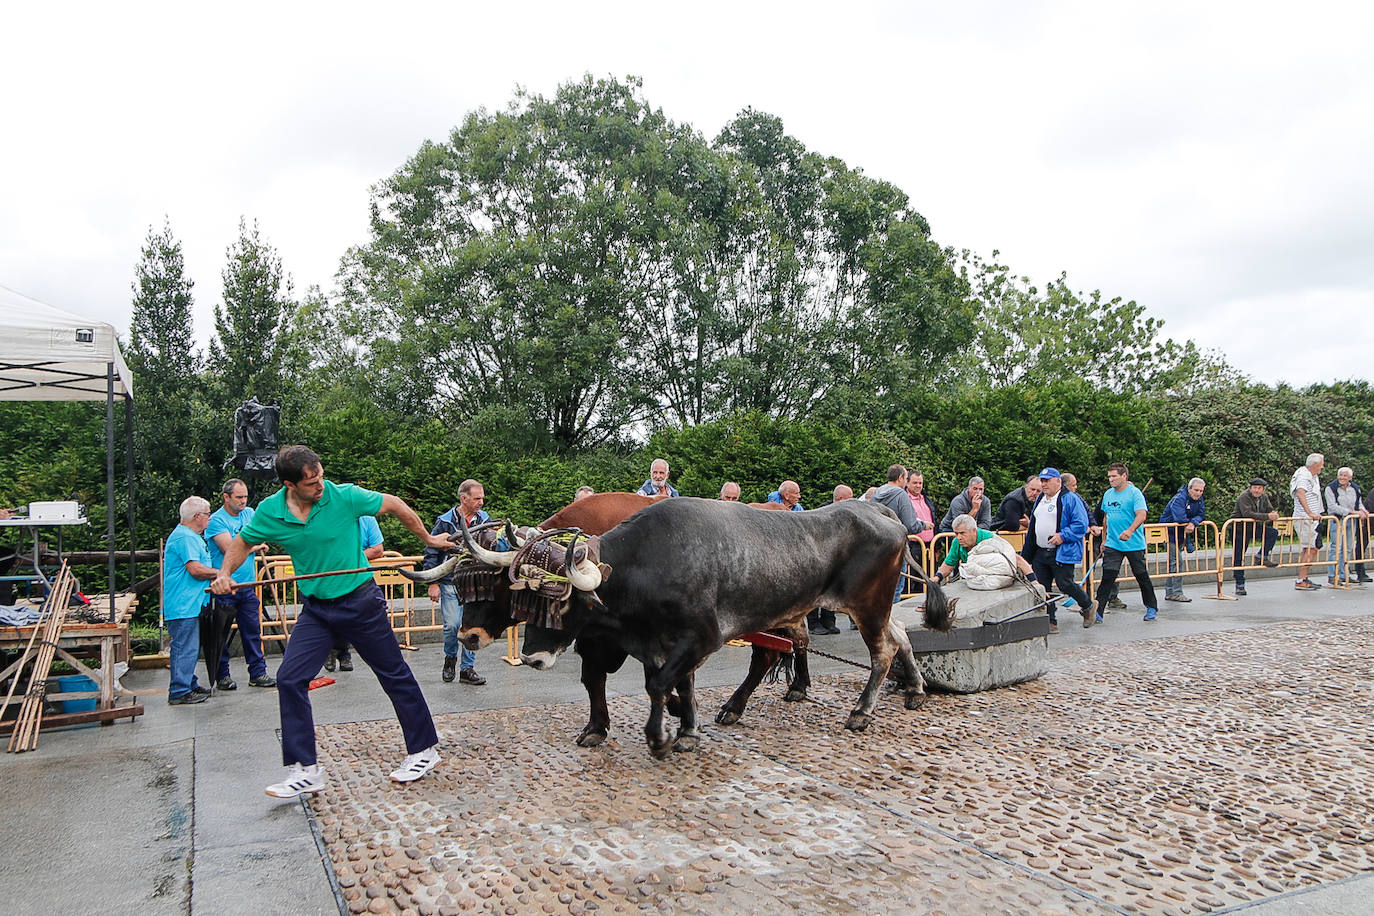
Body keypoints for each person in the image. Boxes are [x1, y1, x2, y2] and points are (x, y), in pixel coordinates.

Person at [210, 445, 453, 798]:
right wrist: (224, 573)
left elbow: (395, 503)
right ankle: (306, 769)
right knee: (290, 678)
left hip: (360, 601)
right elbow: (243, 542)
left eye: (320, 476)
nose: (320, 485)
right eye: (311, 482)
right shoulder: (270, 512)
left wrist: (428, 539)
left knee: (393, 673)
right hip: (317, 609)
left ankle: (423, 750)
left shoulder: (344, 496)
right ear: (289, 485)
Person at [204, 479, 276, 691]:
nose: (243, 501)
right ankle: (222, 675)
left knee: (253, 631)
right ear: (226, 497)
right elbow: (229, 548)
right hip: (224, 587)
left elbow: (261, 534)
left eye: (245, 497)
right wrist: (254, 545)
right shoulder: (216, 520)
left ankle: (258, 672)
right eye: (239, 497)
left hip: (247, 585)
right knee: (221, 633)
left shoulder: (249, 513)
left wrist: (254, 543)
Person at [423, 479, 489, 686]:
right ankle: (450, 659)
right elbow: (431, 551)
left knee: (473, 627)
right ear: (464, 498)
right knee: (452, 626)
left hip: (476, 583)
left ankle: (467, 669)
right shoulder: (444, 522)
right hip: (450, 582)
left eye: (482, 498)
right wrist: (432, 583)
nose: (481, 503)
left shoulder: (485, 520)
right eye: (477, 498)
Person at [1021, 468, 1094, 630]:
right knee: (1042, 586)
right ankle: (1050, 621)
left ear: (1058, 481)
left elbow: (1081, 525)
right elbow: (1034, 525)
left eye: (1047, 480)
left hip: (1062, 550)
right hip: (1041, 550)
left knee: (1064, 583)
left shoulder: (1070, 499)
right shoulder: (1041, 498)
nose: (1044, 484)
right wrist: (1027, 553)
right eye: (1042, 481)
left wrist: (1062, 535)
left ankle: (1088, 605)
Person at [1089, 462, 1159, 622]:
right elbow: (1106, 518)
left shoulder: (1135, 494)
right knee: (1108, 577)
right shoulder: (1108, 494)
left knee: (1141, 576)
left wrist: (1130, 530)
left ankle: (1151, 607)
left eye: (1114, 476)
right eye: (1109, 477)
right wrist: (1104, 539)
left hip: (1134, 543)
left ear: (1124, 476)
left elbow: (1141, 515)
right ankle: (1098, 611)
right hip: (1113, 544)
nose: (1111, 479)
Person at [164, 497, 217, 705]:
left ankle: (189, 682)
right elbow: (195, 570)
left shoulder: (191, 536)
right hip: (182, 603)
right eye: (207, 514)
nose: (209, 518)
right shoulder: (184, 537)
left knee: (190, 647)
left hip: (191, 603)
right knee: (185, 647)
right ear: (197, 517)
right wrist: (220, 573)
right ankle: (179, 690)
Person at [323, 515, 385, 673]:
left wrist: (350, 559)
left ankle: (342, 652)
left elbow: (378, 549)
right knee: (334, 615)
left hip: (360, 579)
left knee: (352, 617)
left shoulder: (368, 519)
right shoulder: (332, 517)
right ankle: (334, 651)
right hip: (333, 577)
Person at [872, 465, 934, 604]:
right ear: (900, 478)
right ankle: (892, 620)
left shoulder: (877, 493)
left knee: (879, 588)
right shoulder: (901, 494)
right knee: (895, 588)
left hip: (877, 547)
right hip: (896, 547)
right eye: (906, 479)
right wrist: (924, 525)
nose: (906, 482)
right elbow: (910, 524)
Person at [807, 485, 854, 634]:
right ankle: (814, 624)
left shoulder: (845, 513)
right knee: (816, 592)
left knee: (832, 591)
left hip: (836, 558)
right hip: (821, 558)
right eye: (849, 499)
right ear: (839, 499)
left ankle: (829, 621)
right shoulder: (822, 513)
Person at [935, 514, 1035, 582]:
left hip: (997, 579)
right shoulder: (957, 542)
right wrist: (937, 578)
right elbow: (949, 564)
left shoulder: (989, 539)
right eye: (956, 533)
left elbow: (1016, 558)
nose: (959, 537)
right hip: (975, 581)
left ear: (974, 530)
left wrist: (1034, 581)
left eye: (962, 533)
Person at [1231, 478, 1280, 596]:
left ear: (1263, 490)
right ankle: (1240, 584)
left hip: (1253, 526)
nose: (1257, 490)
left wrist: (1273, 513)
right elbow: (1247, 514)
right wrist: (1267, 516)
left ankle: (1261, 556)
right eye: (1254, 488)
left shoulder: (1264, 498)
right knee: (1239, 556)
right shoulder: (1244, 497)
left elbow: (1269, 509)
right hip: (1240, 528)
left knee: (1272, 533)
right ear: (1250, 488)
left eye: (1259, 488)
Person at [1160, 478, 1206, 603]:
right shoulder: (1179, 498)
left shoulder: (1199, 500)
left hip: (1181, 535)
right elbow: (1179, 517)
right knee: (1177, 563)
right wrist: (1190, 523)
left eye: (1201, 491)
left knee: (1174, 563)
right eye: (1196, 490)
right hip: (1169, 534)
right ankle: (1176, 592)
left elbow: (1202, 515)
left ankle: (1170, 592)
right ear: (1189, 488)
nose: (1198, 493)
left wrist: (1193, 523)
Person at [1323, 467, 1369, 585]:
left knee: (1347, 547)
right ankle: (1332, 575)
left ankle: (1344, 574)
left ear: (1350, 477)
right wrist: (1351, 512)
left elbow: (1358, 503)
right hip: (1337, 520)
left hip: (1351, 521)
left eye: (1345, 476)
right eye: (1340, 475)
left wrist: (1363, 511)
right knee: (1336, 548)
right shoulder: (1331, 488)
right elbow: (1332, 506)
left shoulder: (1355, 488)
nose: (1342, 478)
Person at [1290, 453, 1325, 590]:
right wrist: (1310, 513)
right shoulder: (1304, 475)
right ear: (1315, 464)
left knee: (1313, 547)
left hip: (1312, 518)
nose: (1322, 467)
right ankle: (1300, 580)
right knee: (1310, 548)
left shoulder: (1312, 475)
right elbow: (1300, 493)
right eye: (1321, 464)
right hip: (1305, 518)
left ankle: (1304, 577)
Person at [905, 471, 937, 546]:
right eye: (915, 483)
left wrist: (937, 546)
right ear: (907, 483)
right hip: (912, 544)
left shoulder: (927, 499)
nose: (918, 486)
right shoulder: (904, 500)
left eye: (920, 483)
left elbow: (934, 520)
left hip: (930, 544)